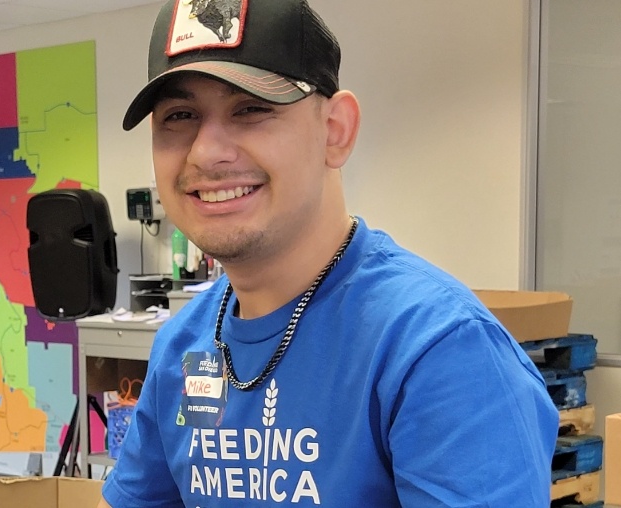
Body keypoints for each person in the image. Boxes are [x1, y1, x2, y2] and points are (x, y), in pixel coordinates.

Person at [99, 0, 559, 506]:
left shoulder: (439, 350)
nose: (206, 152)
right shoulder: (181, 348)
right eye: (179, 116)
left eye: (251, 108)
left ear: (336, 131)